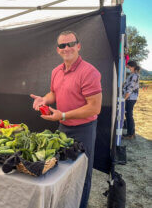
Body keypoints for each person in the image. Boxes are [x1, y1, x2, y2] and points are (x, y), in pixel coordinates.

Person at [30, 31, 102, 208]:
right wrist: (44, 100)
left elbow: (94, 107)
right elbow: (54, 93)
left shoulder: (89, 72)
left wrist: (62, 115)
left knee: (82, 174)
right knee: (62, 171)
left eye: (71, 44)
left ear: (79, 46)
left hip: (84, 129)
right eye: (62, 45)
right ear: (58, 50)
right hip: (63, 128)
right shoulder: (56, 71)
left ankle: (81, 205)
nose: (67, 48)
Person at [122, 60, 140, 139]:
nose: (128, 68)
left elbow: (130, 88)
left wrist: (124, 99)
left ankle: (130, 134)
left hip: (130, 98)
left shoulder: (134, 76)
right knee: (128, 115)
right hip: (129, 98)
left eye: (128, 67)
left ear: (132, 67)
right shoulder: (132, 74)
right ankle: (131, 133)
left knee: (129, 115)